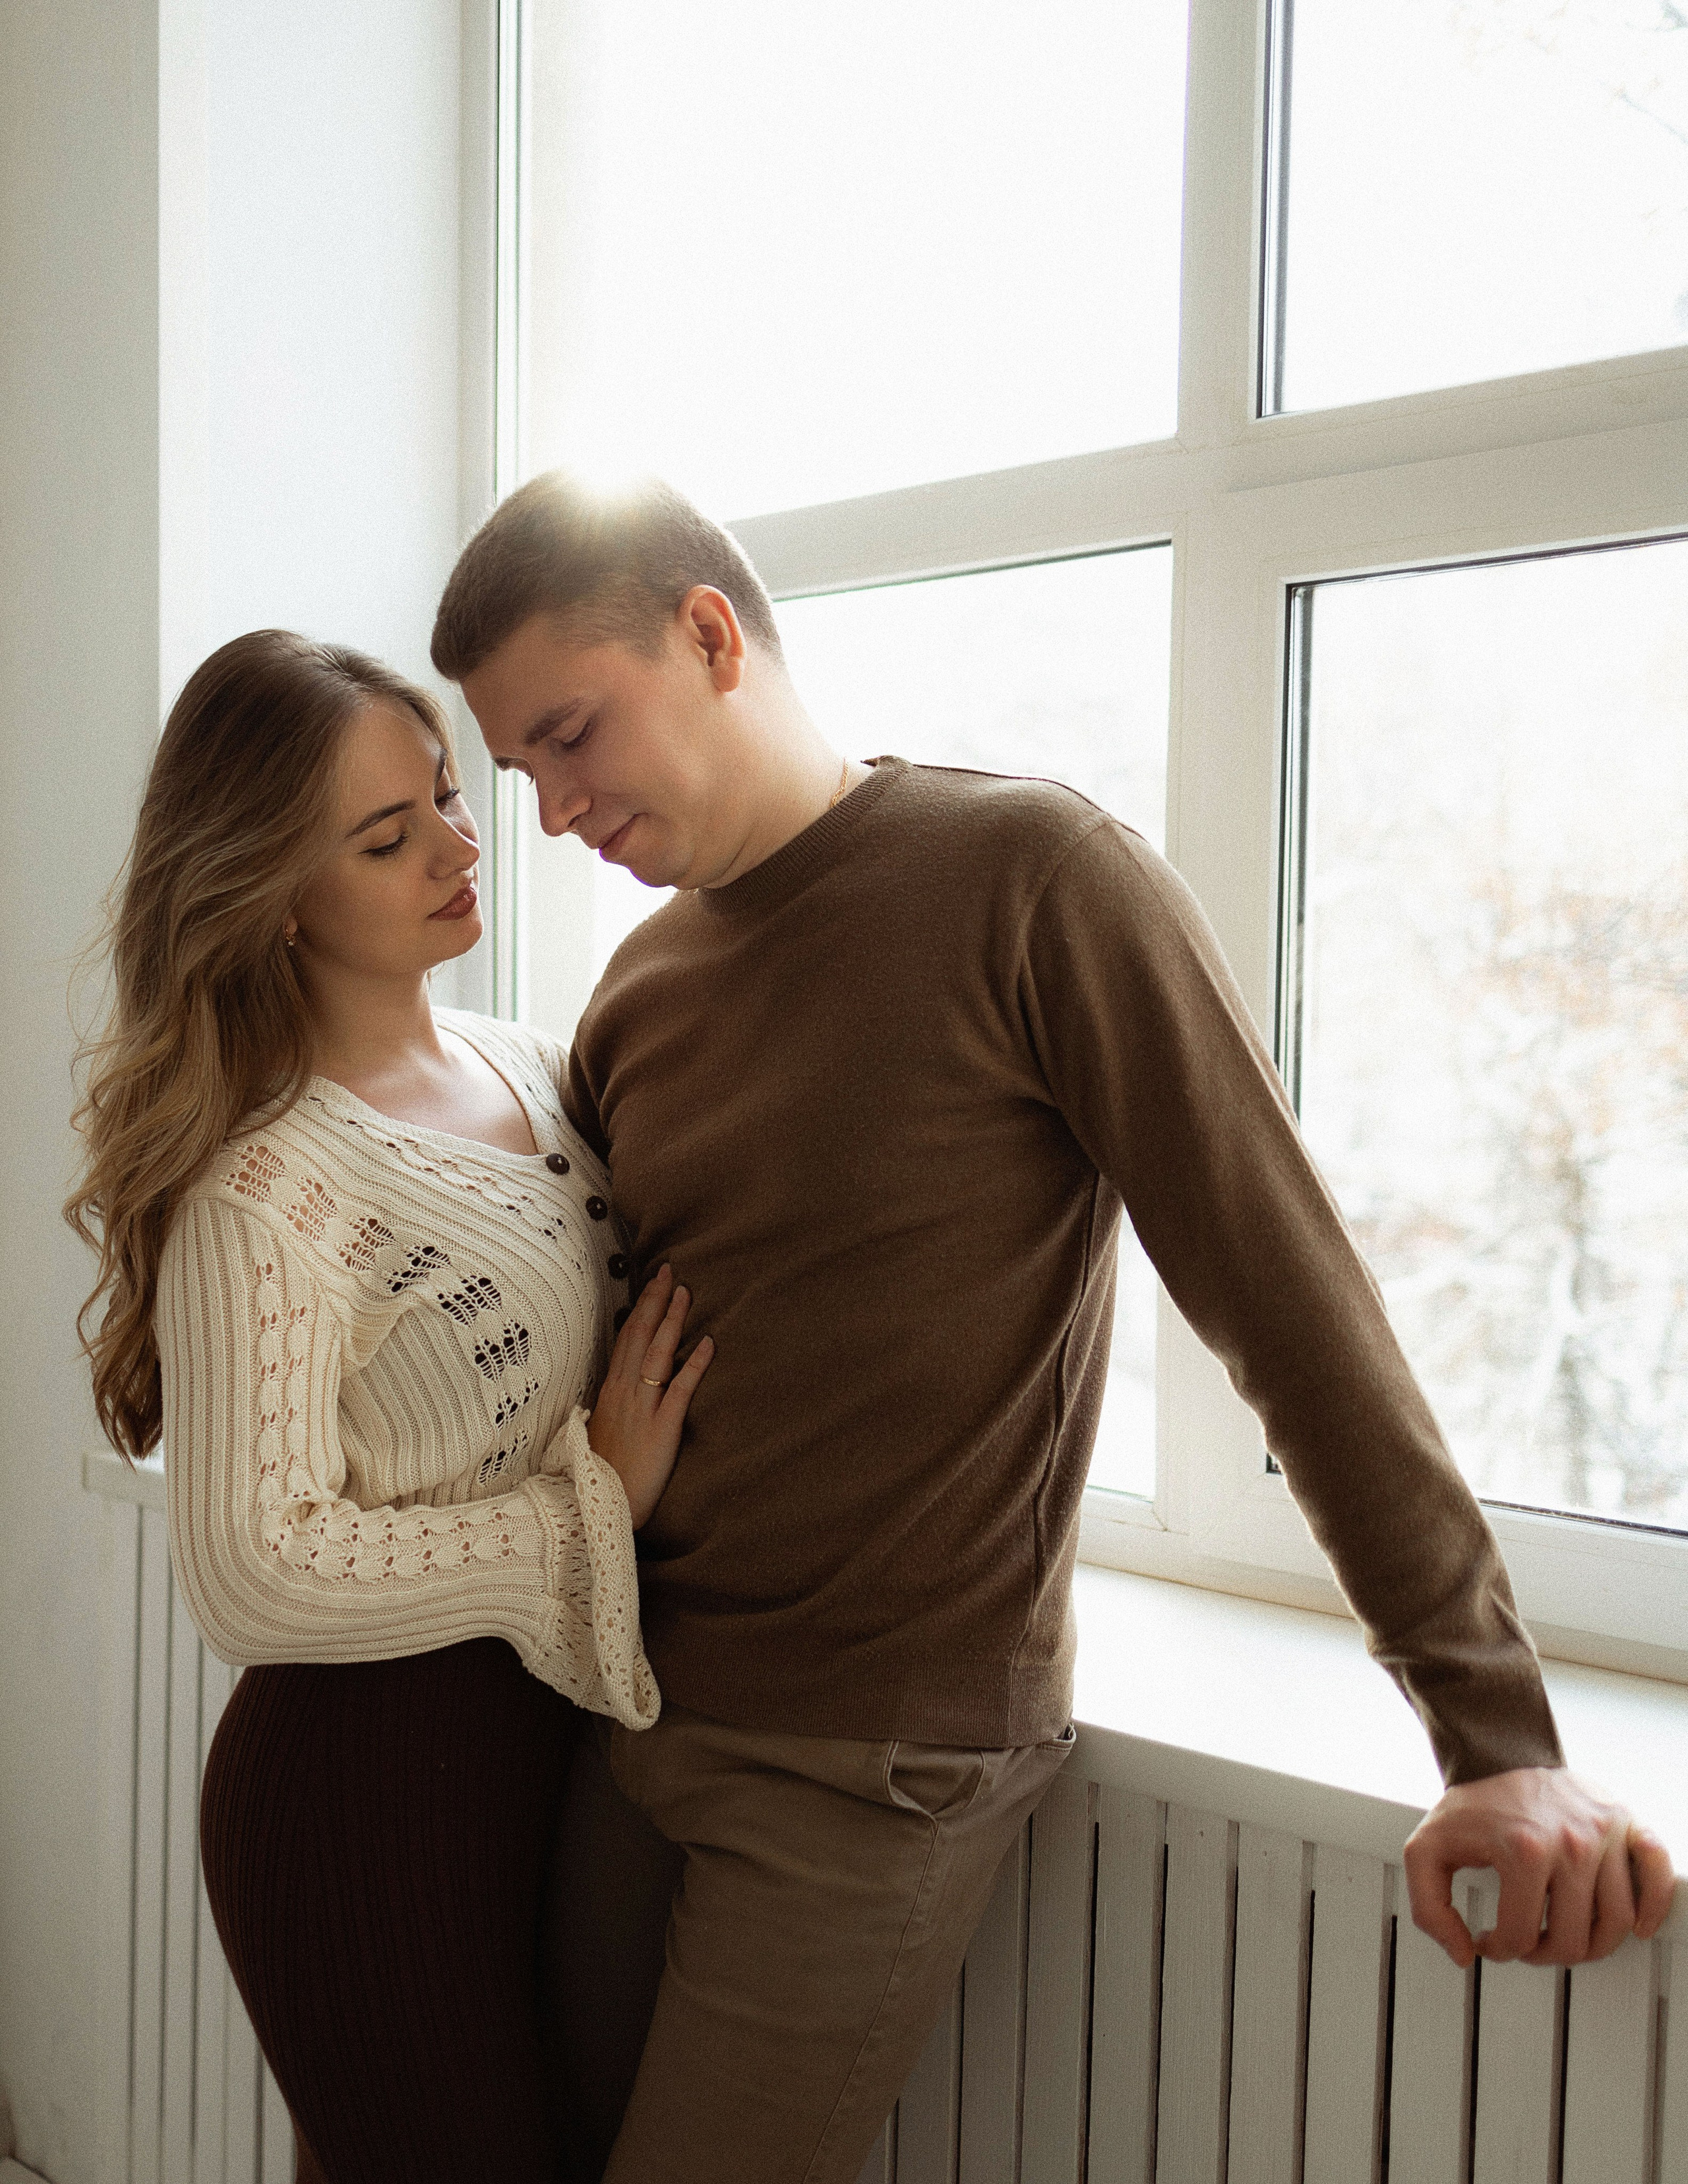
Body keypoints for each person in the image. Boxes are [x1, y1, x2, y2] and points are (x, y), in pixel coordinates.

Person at [430, 471, 1678, 2184]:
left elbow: (1290, 1304)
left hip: (872, 1759)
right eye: (521, 771)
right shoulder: (640, 997)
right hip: (632, 1717)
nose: (554, 807)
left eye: (573, 735)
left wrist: (1498, 1743)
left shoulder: (1031, 876)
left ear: (709, 635)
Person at [66, 628, 712, 2184]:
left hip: (547, 1768)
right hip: (362, 1802)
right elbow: (253, 1567)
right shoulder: (265, 1184)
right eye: (386, 834)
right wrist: (590, 1509)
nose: (460, 842)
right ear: (272, 894)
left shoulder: (534, 1068)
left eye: (440, 793)